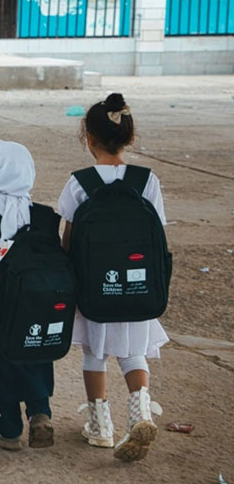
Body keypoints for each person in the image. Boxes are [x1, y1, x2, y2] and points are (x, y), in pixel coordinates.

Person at [60, 93, 167, 462]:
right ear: (128, 137)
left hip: (95, 286)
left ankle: (100, 424)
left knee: (95, 353)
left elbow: (69, 238)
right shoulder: (146, 180)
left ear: (88, 138)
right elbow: (158, 235)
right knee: (134, 351)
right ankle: (140, 409)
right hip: (138, 283)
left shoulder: (80, 182)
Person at [0, 139, 55, 451]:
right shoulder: (44, 216)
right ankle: (40, 414)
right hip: (38, 307)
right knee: (33, 357)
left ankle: (10, 427)